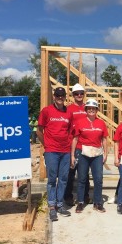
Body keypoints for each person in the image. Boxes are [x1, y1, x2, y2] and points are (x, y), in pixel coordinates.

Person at [37, 87, 73, 221]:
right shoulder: (46, 111)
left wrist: (68, 146)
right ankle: (52, 206)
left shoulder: (68, 113)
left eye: (62, 95)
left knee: (63, 179)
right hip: (52, 150)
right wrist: (46, 145)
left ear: (65, 97)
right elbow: (39, 130)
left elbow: (70, 131)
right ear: (54, 97)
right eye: (57, 95)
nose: (60, 98)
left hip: (65, 151)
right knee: (52, 179)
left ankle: (59, 204)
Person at [71, 99, 108, 213]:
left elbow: (104, 139)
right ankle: (80, 202)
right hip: (83, 152)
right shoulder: (80, 122)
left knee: (98, 179)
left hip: (97, 153)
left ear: (97, 110)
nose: (91, 110)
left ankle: (97, 202)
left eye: (93, 108)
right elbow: (75, 139)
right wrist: (72, 155)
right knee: (82, 178)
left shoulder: (101, 123)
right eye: (89, 108)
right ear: (86, 110)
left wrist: (105, 153)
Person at [64, 83, 91, 206]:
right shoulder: (69, 109)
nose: (79, 95)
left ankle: (85, 195)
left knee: (84, 172)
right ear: (73, 95)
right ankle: (68, 196)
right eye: (76, 94)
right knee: (70, 172)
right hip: (72, 145)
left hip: (86, 144)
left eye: (81, 93)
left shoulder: (88, 108)